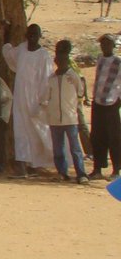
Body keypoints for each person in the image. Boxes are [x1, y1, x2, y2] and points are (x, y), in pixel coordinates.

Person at [2, 22, 54, 176]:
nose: (32, 37)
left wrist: (42, 102)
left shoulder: (44, 56)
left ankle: (37, 164)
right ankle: (22, 165)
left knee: (38, 130)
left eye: (35, 34)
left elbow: (46, 81)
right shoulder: (22, 49)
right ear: (26, 35)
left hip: (36, 100)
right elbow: (9, 55)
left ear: (40, 36)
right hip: (20, 98)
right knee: (21, 130)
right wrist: (6, 34)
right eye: (30, 34)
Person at [41, 48, 88, 183]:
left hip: (70, 117)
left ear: (67, 61)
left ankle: (81, 174)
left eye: (64, 60)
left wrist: (73, 105)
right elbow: (46, 96)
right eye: (59, 60)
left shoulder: (73, 76)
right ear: (56, 61)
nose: (61, 62)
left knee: (75, 148)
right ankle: (62, 172)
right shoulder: (51, 78)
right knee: (58, 149)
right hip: (54, 118)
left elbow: (80, 91)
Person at [90, 34, 121, 180]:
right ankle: (97, 169)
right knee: (97, 136)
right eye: (102, 44)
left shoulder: (118, 62)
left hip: (111, 102)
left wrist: (117, 101)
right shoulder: (100, 59)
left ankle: (116, 170)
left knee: (114, 137)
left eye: (107, 44)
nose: (104, 46)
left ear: (113, 46)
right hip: (98, 102)